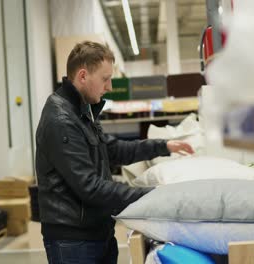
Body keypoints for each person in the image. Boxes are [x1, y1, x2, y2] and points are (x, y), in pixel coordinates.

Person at [35, 41, 193, 264]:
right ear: (83, 76)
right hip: (73, 241)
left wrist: (163, 146)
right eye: (105, 79)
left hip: (97, 232)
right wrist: (153, 196)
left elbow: (113, 149)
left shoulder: (81, 111)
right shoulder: (61, 120)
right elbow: (89, 186)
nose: (109, 86)